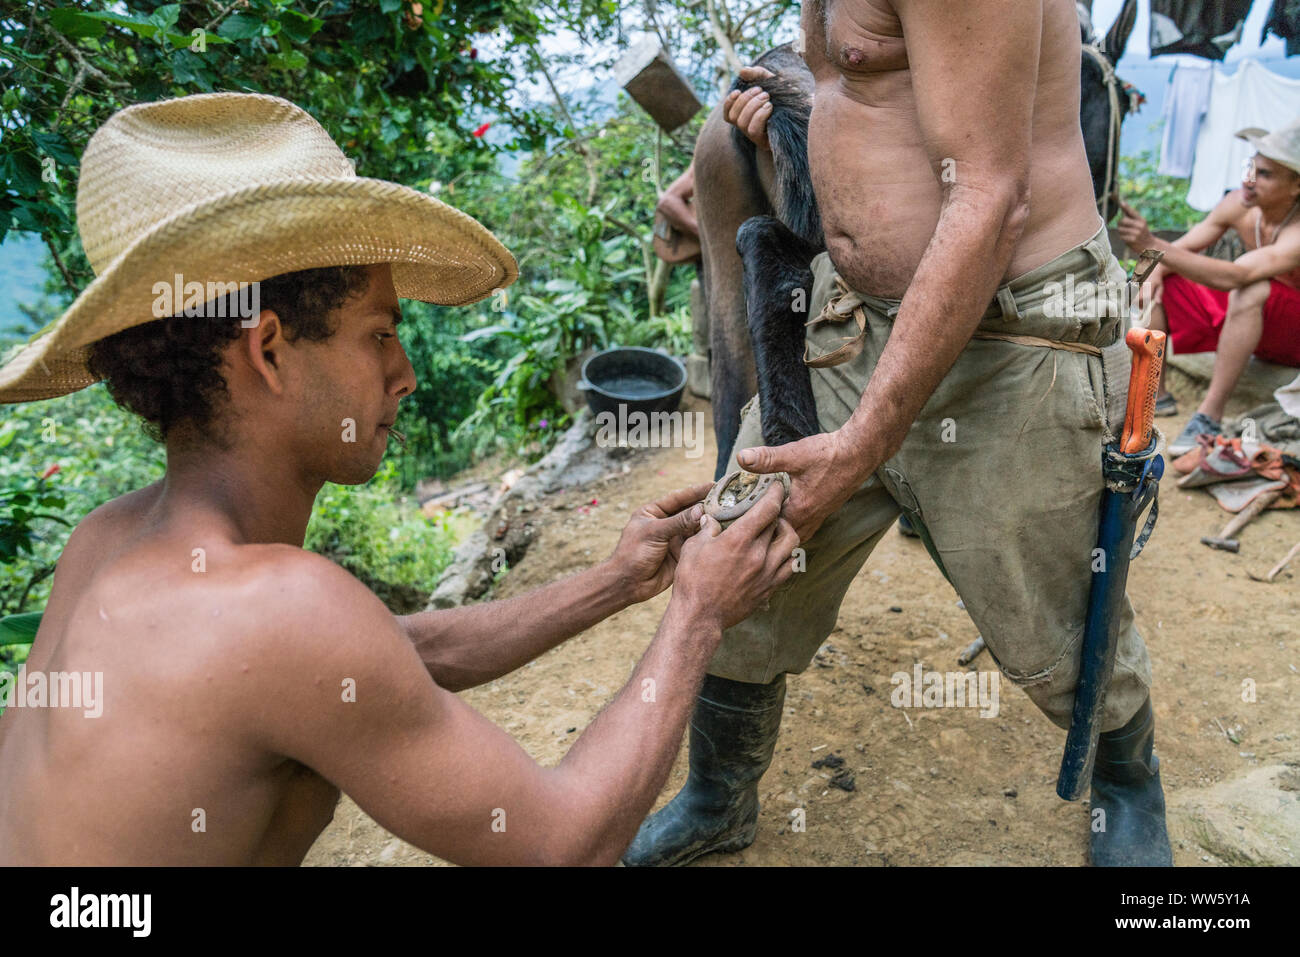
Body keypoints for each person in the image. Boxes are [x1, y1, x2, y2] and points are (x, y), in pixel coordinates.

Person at [0, 92, 800, 866]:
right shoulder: (281, 614)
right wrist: (697, 611)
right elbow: (563, 845)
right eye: (379, 334)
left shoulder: (106, 539)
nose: (407, 372)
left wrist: (619, 582)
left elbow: (385, 653)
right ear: (268, 350)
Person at [624, 0, 1172, 868]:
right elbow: (872, 85)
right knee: (740, 554)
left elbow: (990, 194)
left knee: (1055, 609)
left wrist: (865, 440)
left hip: (1013, 337)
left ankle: (1127, 782)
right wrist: (796, 109)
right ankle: (718, 794)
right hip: (854, 320)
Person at [1118, 120, 1300, 456]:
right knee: (1163, 279)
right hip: (1257, 323)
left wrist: (1151, 243)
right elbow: (1175, 253)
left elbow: (1236, 277)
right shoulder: (1238, 203)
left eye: (1265, 174)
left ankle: (1208, 415)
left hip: (1292, 335)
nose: (1249, 179)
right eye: (1251, 167)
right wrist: (1151, 271)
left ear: (1296, 186)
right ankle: (1153, 398)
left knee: (1251, 286)